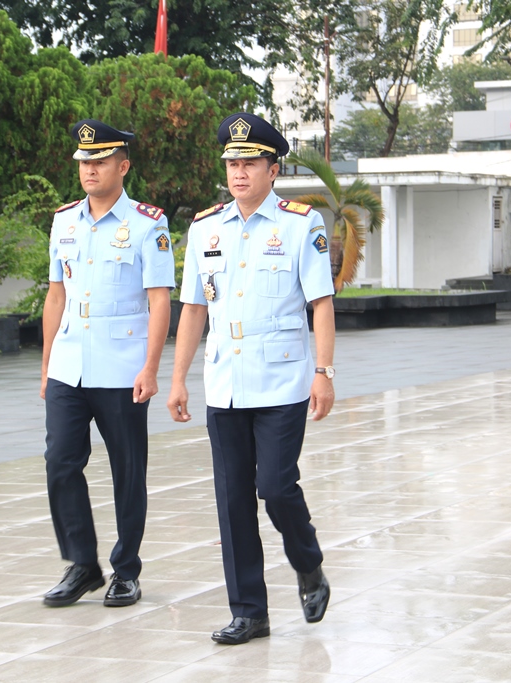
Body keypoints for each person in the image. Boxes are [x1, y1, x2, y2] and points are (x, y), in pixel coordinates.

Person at [166, 112, 335, 644]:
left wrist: (324, 372)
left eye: (250, 162)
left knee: (276, 487)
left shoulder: (299, 224)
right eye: (232, 164)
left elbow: (321, 302)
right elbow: (192, 308)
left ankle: (307, 563)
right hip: (226, 381)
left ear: (273, 168)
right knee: (233, 496)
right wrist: (178, 378)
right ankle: (249, 611)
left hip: (284, 379)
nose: (239, 173)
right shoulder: (204, 228)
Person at [40, 119, 175, 608]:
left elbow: (160, 301)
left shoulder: (147, 223)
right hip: (69, 364)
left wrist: (151, 367)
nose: (89, 170)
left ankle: (126, 569)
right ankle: (81, 564)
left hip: (122, 367)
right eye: (83, 162)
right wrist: (46, 366)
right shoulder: (64, 222)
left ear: (123, 166)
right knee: (60, 462)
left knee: (127, 470)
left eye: (99, 161)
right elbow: (55, 297)